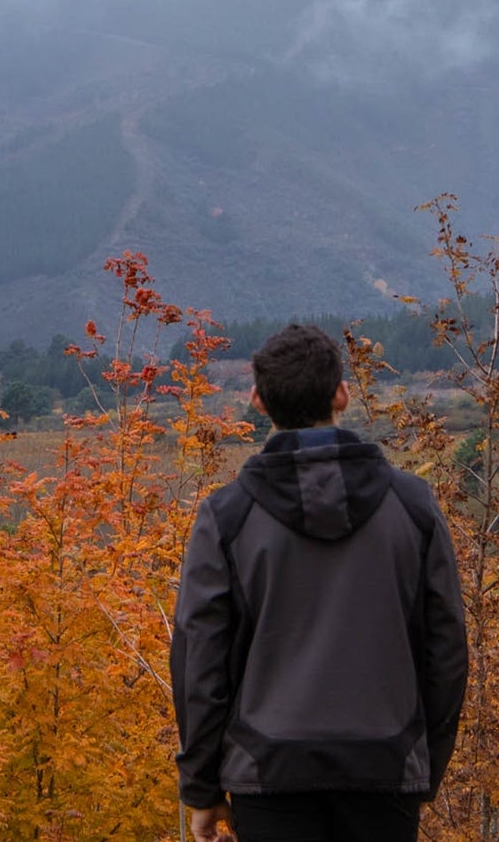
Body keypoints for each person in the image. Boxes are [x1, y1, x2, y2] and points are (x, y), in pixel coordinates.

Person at [171, 323, 468, 842]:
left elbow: (200, 661)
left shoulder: (227, 517)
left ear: (258, 401)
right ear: (342, 393)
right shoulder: (413, 507)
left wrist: (202, 787)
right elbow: (446, 653)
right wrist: (421, 765)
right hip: (385, 769)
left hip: (267, 775)